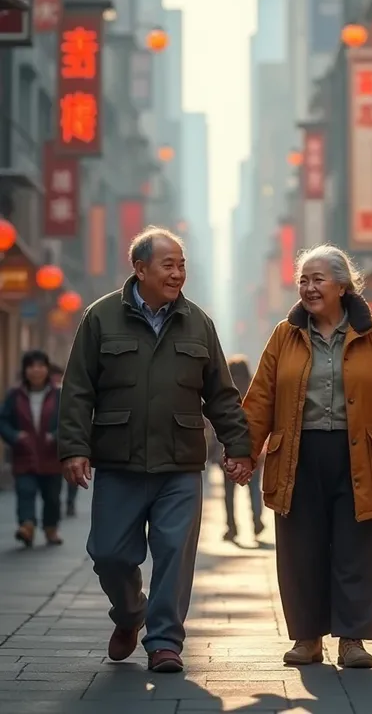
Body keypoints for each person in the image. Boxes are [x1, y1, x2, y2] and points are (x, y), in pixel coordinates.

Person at [58, 226, 251, 672]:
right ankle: (130, 613)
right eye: (169, 264)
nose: (178, 273)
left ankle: (165, 642)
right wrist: (73, 447)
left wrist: (237, 446)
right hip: (118, 462)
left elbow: (221, 393)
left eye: (182, 264)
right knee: (108, 553)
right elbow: (78, 390)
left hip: (180, 464)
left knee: (173, 554)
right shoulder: (100, 318)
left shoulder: (198, 322)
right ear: (140, 268)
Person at [241, 244, 372, 669]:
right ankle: (307, 638)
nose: (309, 288)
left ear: (343, 285)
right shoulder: (285, 335)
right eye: (303, 280)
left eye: (318, 279)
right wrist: (243, 454)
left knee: (359, 548)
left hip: (362, 455)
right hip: (298, 457)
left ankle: (352, 640)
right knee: (300, 549)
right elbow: (260, 398)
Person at [0, 350, 62, 546]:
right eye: (31, 366)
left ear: (47, 369)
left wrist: (56, 436)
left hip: (51, 456)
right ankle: (27, 526)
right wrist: (15, 436)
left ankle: (51, 529)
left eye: (41, 366)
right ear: (25, 370)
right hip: (24, 454)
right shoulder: (15, 395)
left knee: (52, 497)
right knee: (25, 492)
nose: (36, 370)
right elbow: (3, 420)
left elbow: (70, 421)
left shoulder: (59, 395)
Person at [221, 355, 264, 542]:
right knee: (254, 489)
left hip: (230, 453)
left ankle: (232, 527)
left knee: (230, 493)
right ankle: (256, 521)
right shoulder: (254, 392)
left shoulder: (226, 394)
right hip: (254, 451)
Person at [51, 363, 78, 518]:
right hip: (50, 447)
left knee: (72, 475)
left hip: (66, 440)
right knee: (56, 479)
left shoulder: (63, 393)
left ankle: (70, 502)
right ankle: (61, 504)